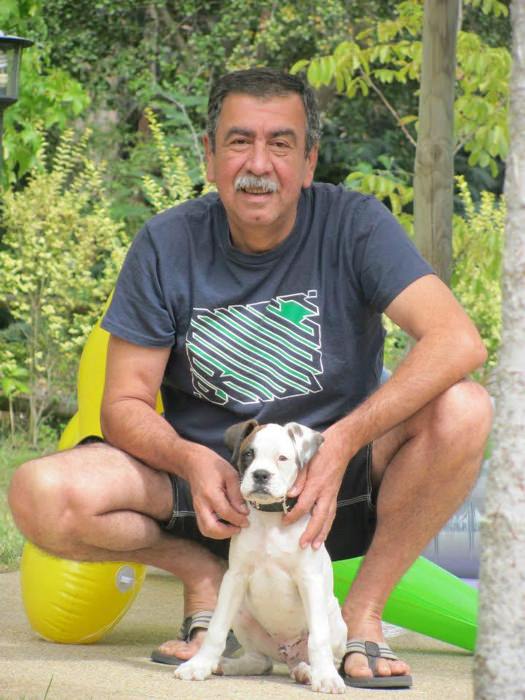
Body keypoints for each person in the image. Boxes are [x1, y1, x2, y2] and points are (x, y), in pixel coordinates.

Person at [8, 68, 492, 686]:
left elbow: (458, 340)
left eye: (280, 144)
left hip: (331, 486)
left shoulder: (355, 224)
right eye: (239, 142)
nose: (258, 164)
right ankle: (203, 575)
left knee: (465, 408)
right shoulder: (165, 242)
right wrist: (189, 460)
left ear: (309, 161)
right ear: (209, 156)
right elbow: (123, 403)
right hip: (206, 494)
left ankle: (363, 615)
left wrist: (341, 443)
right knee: (40, 493)